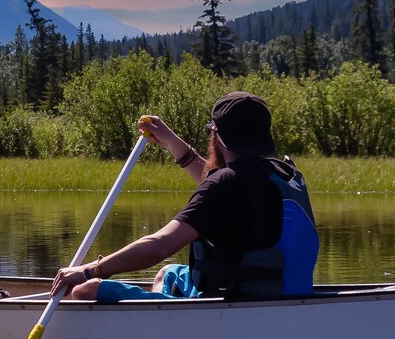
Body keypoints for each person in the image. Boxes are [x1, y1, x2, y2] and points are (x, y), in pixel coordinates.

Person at [50, 91, 318, 301]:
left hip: (235, 300)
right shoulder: (280, 174)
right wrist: (169, 140)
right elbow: (217, 183)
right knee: (169, 275)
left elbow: (158, 246)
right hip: (284, 293)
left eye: (212, 130)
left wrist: (89, 271)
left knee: (84, 291)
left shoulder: (225, 185)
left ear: (218, 136)